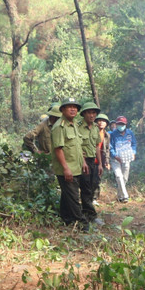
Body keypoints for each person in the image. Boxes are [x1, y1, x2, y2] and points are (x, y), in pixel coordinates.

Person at [51, 97, 89, 229]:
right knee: (74, 197)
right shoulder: (59, 127)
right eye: (69, 107)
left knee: (67, 194)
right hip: (67, 169)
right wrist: (66, 169)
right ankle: (82, 223)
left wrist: (83, 162)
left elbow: (78, 147)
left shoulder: (74, 125)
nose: (73, 109)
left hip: (76, 166)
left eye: (75, 107)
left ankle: (66, 219)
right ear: (62, 110)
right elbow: (58, 149)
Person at [79, 100, 103, 225]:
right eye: (89, 113)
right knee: (86, 188)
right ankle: (90, 215)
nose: (92, 115)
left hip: (93, 160)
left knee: (94, 185)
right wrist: (83, 162)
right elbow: (78, 147)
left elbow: (97, 147)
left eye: (94, 113)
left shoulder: (95, 128)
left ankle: (86, 211)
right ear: (84, 114)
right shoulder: (78, 127)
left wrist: (99, 164)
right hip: (82, 161)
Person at [109, 116, 136, 203]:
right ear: (116, 124)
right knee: (118, 176)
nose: (121, 126)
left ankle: (119, 195)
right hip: (115, 159)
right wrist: (115, 156)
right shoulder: (112, 134)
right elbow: (110, 147)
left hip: (127, 158)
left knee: (124, 178)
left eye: (122, 124)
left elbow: (134, 144)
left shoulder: (130, 133)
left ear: (125, 124)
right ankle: (125, 196)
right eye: (119, 124)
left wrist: (133, 153)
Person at [93, 113, 111, 204]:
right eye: (99, 120)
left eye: (103, 121)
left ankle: (94, 198)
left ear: (106, 124)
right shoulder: (92, 131)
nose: (101, 123)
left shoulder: (107, 135)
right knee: (88, 179)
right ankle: (88, 198)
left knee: (97, 180)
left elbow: (107, 149)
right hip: (90, 159)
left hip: (100, 161)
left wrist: (107, 161)